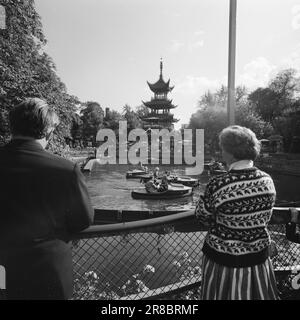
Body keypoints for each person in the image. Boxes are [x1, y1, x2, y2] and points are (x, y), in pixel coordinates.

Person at [0, 98, 94, 300]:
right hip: (49, 273)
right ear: (49, 131)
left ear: (12, 126)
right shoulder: (65, 169)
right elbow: (83, 220)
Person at [195, 125, 278, 300]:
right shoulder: (267, 180)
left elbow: (203, 217)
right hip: (258, 260)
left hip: (224, 262)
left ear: (231, 152)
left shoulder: (219, 183)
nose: (221, 152)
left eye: (223, 148)